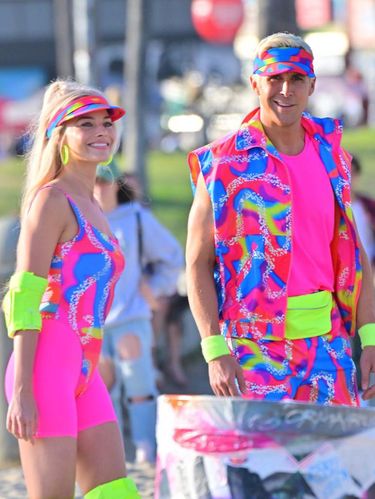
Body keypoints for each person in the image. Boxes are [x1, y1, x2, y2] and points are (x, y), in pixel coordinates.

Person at [186, 32, 375, 407]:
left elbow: (354, 254)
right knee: (265, 465)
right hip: (251, 354)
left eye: (297, 79)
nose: (285, 90)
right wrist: (213, 349)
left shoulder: (332, 155)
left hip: (327, 351)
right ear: (255, 82)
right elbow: (196, 262)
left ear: (312, 85)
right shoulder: (223, 164)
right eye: (275, 78)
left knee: (332, 464)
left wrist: (369, 339)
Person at [3, 80, 140, 498]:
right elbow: (25, 293)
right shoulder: (51, 200)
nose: (101, 131)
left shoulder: (94, 203)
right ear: (59, 135)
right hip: (43, 366)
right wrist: (23, 387)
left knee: (115, 491)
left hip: (84, 367)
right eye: (86, 124)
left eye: (106, 122)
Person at [94, 163, 183, 463]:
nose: (99, 186)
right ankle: (113, 449)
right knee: (103, 390)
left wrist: (154, 288)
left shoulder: (136, 218)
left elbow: (172, 257)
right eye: (93, 179)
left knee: (139, 383)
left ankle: (146, 446)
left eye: (105, 180)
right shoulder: (81, 216)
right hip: (92, 321)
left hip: (130, 314)